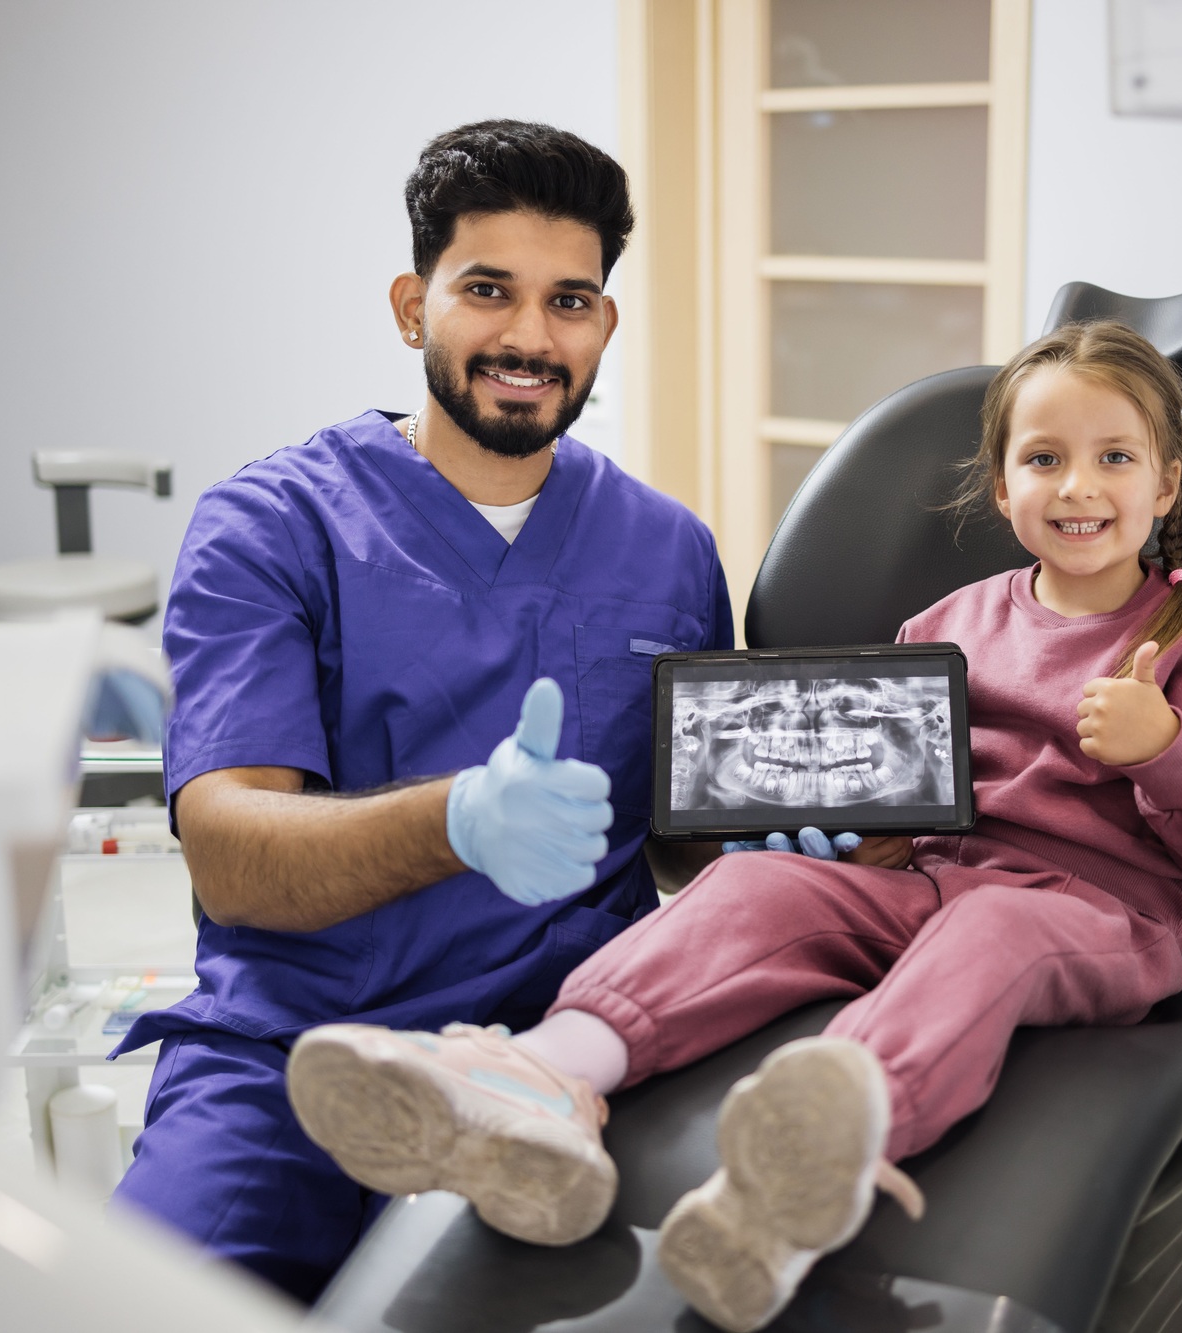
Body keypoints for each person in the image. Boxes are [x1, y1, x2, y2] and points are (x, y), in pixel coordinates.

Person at [284, 319, 1182, 1330]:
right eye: (1044, 459)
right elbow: (900, 797)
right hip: (932, 884)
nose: (1077, 487)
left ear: (1165, 485)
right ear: (1002, 488)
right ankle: (549, 1074)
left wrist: (1163, 749)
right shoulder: (949, 624)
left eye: (1112, 458)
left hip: (1097, 916)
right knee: (751, 886)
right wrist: (853, 831)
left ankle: (831, 1135)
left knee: (994, 929)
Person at [107, 120, 734, 1303]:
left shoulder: (668, 549)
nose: (529, 337)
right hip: (294, 1049)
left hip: (557, 1060)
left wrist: (772, 834)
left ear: (603, 323)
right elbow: (233, 856)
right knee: (134, 1300)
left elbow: (680, 841)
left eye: (570, 301)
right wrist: (458, 821)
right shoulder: (272, 527)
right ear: (412, 306)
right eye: (486, 290)